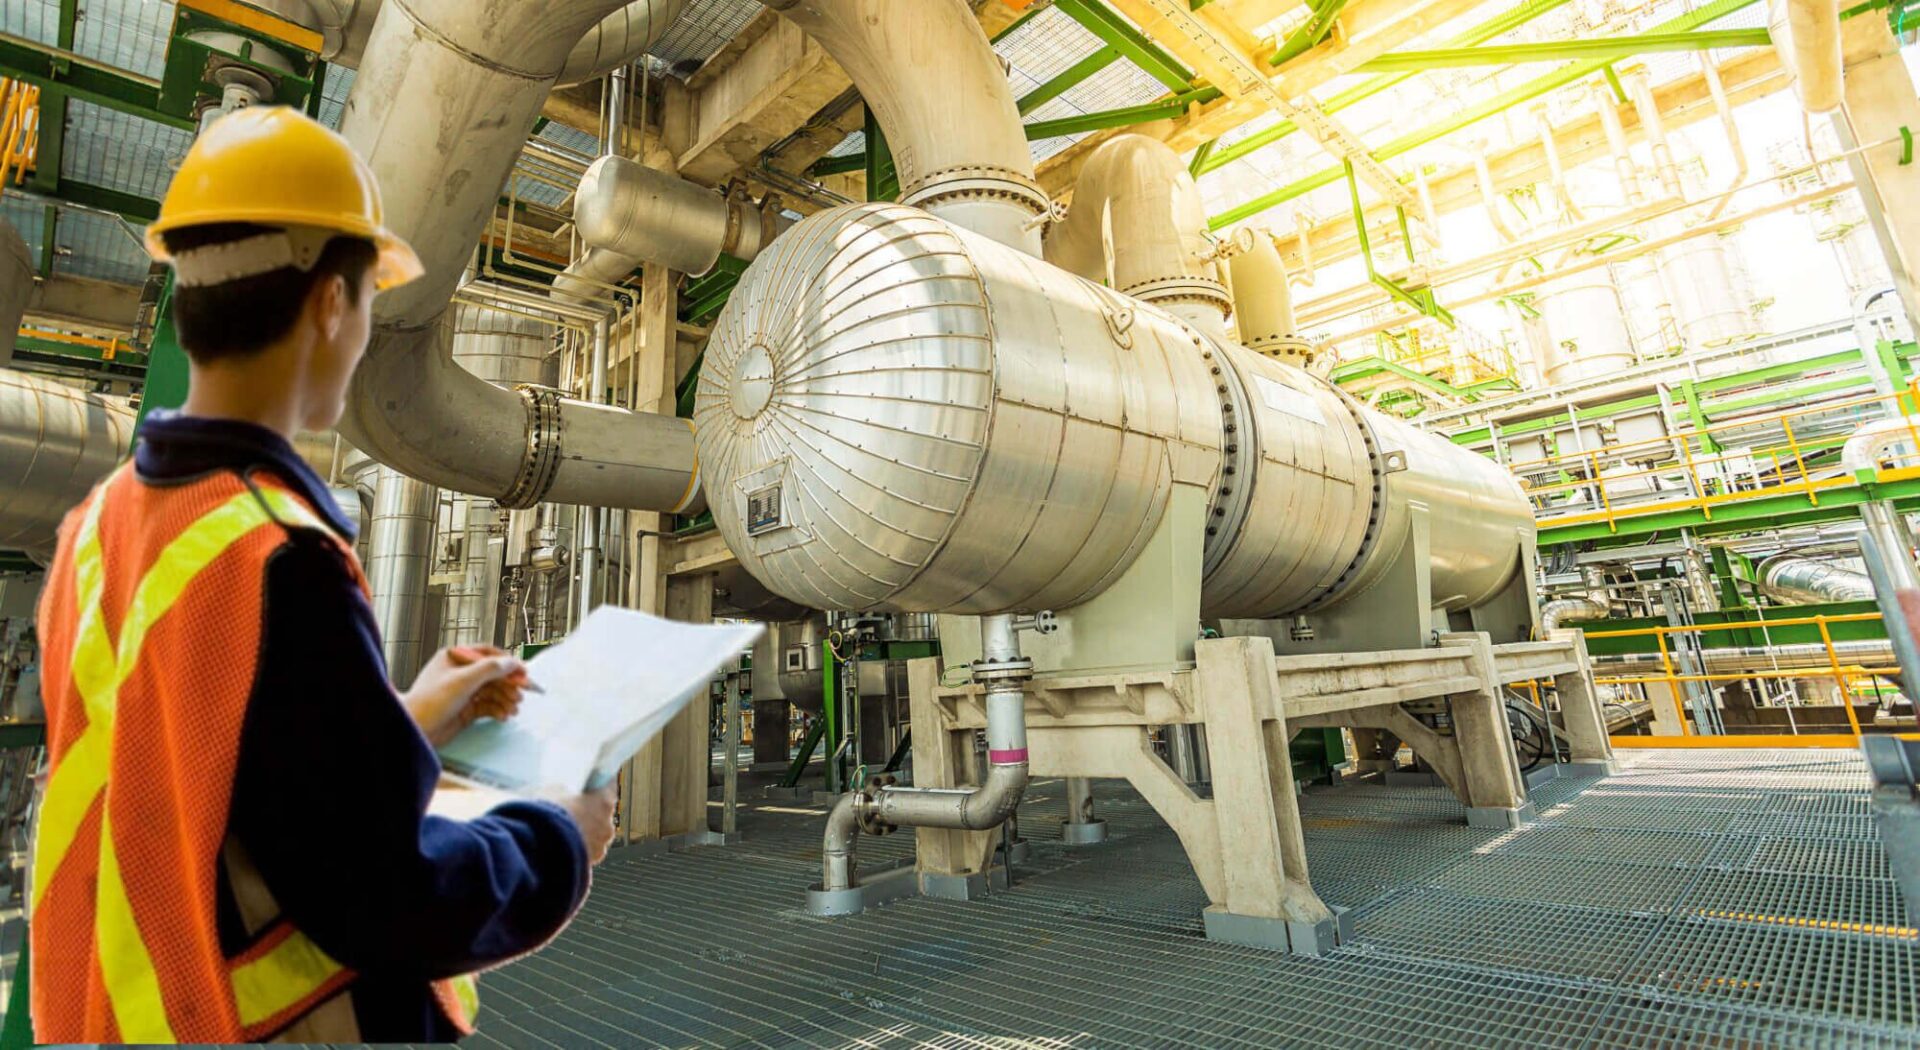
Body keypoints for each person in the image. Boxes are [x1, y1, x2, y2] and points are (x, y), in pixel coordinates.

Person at [27, 105, 615, 1043]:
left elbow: (203, 767)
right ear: (332, 304)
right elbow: (387, 897)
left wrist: (410, 715)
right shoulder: (277, 557)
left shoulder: (99, 530)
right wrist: (559, 835)